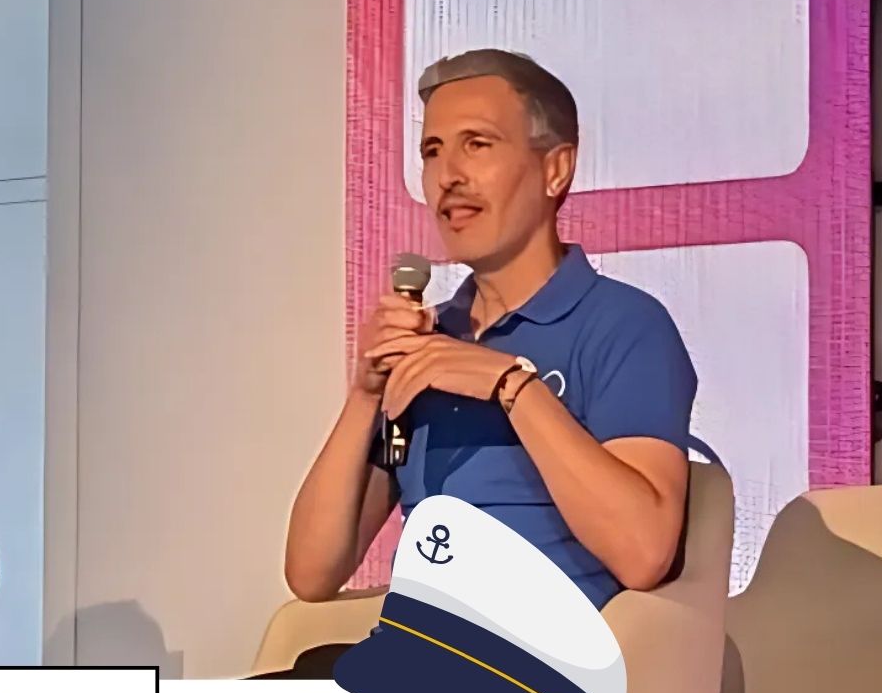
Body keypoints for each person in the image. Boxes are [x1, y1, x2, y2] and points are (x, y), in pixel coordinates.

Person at [285, 49, 696, 617]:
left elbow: (643, 552)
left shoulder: (624, 324)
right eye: (432, 151)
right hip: (416, 647)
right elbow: (311, 574)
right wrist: (365, 393)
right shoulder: (430, 344)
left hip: (548, 657)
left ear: (555, 169)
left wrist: (512, 387)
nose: (448, 176)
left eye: (477, 145)